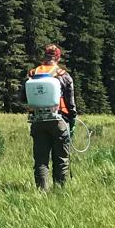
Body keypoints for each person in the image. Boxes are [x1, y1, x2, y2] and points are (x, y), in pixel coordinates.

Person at [27, 44, 78, 191]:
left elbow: (24, 97)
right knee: (61, 158)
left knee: (41, 160)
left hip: (37, 121)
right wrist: (72, 120)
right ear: (58, 57)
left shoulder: (32, 74)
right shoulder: (63, 75)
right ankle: (59, 190)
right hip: (59, 121)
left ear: (45, 56)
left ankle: (42, 191)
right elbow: (71, 103)